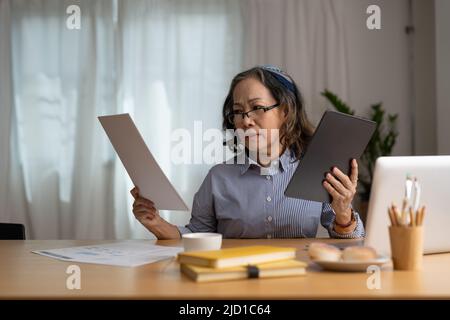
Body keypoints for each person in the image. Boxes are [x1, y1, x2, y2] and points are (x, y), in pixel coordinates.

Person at [130, 65, 364, 239]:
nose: (246, 120)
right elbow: (194, 237)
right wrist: (155, 222)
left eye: (257, 108)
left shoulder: (315, 171)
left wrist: (343, 212)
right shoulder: (218, 178)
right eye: (238, 112)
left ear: (285, 111)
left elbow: (352, 241)